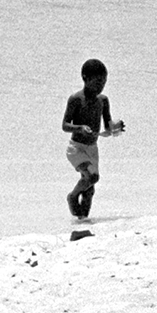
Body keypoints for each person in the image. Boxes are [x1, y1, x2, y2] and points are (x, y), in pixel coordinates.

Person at [62, 58, 123, 221]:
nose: (100, 86)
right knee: (92, 177)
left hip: (92, 149)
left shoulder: (103, 101)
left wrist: (115, 128)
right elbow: (65, 125)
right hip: (76, 148)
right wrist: (80, 127)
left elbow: (108, 126)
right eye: (97, 82)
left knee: (90, 190)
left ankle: (82, 221)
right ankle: (73, 196)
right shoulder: (75, 99)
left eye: (103, 82)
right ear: (85, 78)